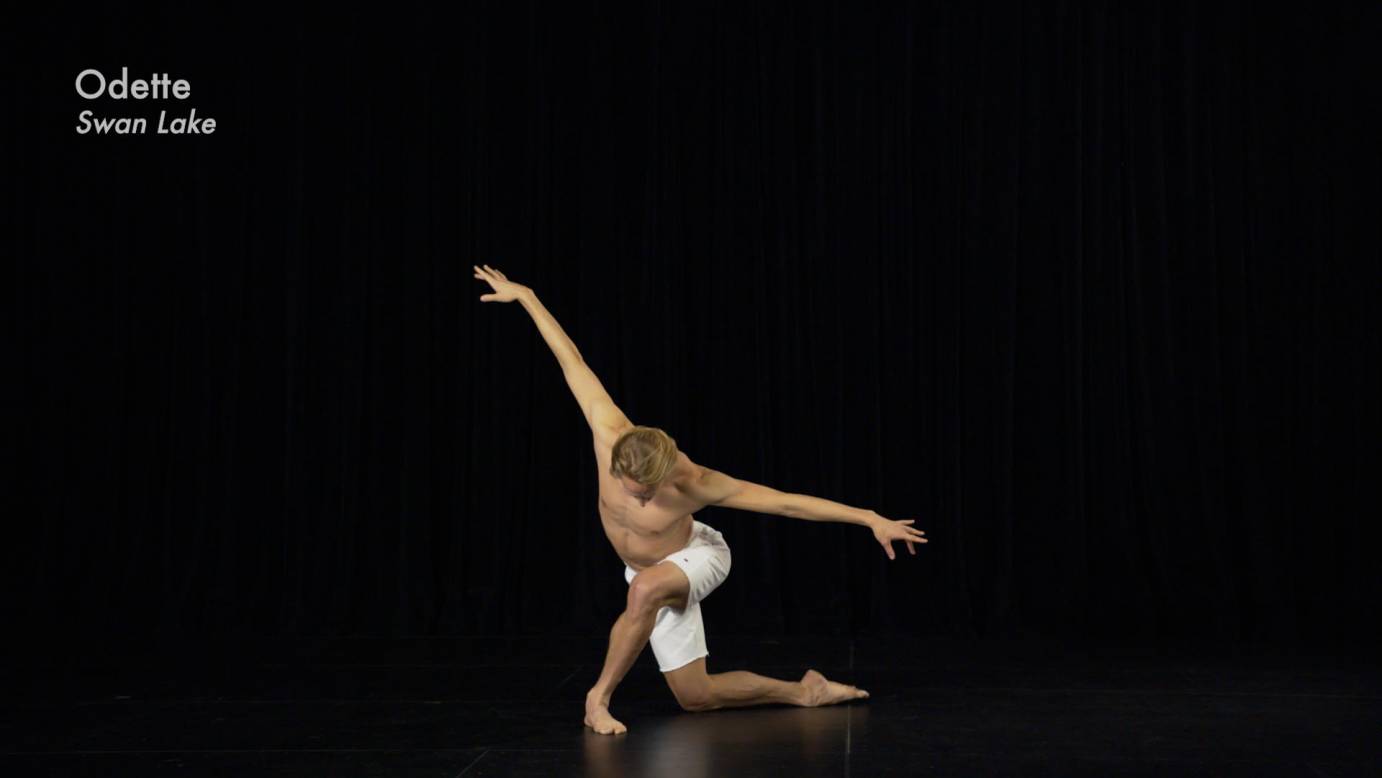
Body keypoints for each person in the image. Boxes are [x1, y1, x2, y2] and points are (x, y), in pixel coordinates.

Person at [474, 264, 928, 736]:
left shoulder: (695, 481)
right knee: (697, 697)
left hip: (698, 555)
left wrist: (869, 517)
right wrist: (527, 297)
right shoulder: (607, 429)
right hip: (647, 571)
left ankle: (597, 699)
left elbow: (786, 503)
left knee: (645, 589)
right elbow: (572, 360)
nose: (642, 497)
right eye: (634, 488)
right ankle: (805, 691)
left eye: (651, 490)